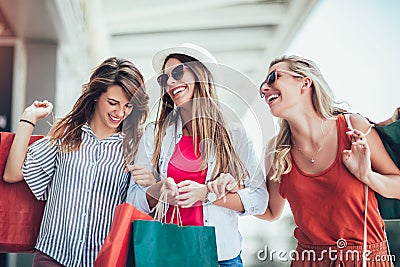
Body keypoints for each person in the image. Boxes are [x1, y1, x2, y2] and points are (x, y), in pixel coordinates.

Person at [127, 43, 268, 266]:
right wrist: (157, 191)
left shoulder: (234, 133)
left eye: (178, 72)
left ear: (201, 74)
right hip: (166, 255)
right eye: (164, 79)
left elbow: (260, 200)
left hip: (221, 258)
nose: (171, 82)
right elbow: (133, 200)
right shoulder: (154, 134)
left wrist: (207, 194)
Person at [3, 57, 150, 266]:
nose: (120, 113)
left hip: (104, 260)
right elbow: (12, 173)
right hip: (54, 257)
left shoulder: (137, 146)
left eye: (128, 106)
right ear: (96, 96)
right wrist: (29, 118)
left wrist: (151, 183)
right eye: (113, 103)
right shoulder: (67, 133)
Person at [257, 55, 400, 266]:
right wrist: (219, 189)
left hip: (365, 259)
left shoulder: (353, 127)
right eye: (262, 86)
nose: (264, 89)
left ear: (305, 82)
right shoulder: (277, 151)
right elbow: (270, 210)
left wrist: (367, 175)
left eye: (272, 78)